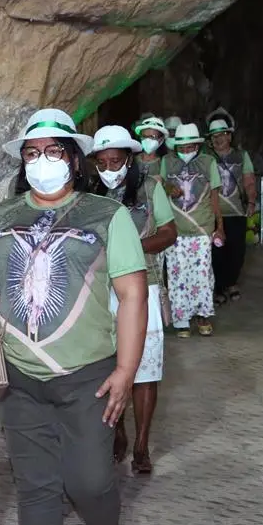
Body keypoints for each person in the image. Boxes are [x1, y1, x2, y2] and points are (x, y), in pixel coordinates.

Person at [0, 108, 148, 525]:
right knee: (36, 488)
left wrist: (127, 371)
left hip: (88, 375)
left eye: (54, 151)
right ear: (23, 161)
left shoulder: (107, 216)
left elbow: (133, 294)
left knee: (89, 479)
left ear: (74, 157)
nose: (43, 162)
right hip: (19, 377)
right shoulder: (0, 216)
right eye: (32, 153)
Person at [90, 125, 177, 474]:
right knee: (108, 365)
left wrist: (131, 251)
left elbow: (169, 232)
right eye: (102, 162)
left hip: (144, 286)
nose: (110, 168)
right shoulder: (89, 194)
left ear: (130, 158)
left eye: (116, 161)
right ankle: (118, 433)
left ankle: (141, 444)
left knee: (145, 369)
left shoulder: (149, 188)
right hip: (99, 289)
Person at [160, 122, 224, 337]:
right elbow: (160, 188)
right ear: (175, 147)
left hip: (201, 227)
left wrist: (219, 227)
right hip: (175, 228)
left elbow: (215, 197)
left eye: (190, 147)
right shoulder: (167, 162)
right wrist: (170, 188)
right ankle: (181, 320)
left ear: (198, 145)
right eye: (181, 148)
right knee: (177, 274)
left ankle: (202, 315)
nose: (186, 151)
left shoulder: (208, 162)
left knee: (202, 274)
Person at [206, 113, 256, 303]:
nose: (218, 139)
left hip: (236, 211)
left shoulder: (241, 156)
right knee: (216, 253)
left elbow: (249, 181)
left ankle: (231, 283)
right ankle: (218, 287)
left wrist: (251, 202)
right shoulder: (206, 159)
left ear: (229, 136)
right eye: (214, 136)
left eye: (222, 134)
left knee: (236, 251)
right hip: (213, 213)